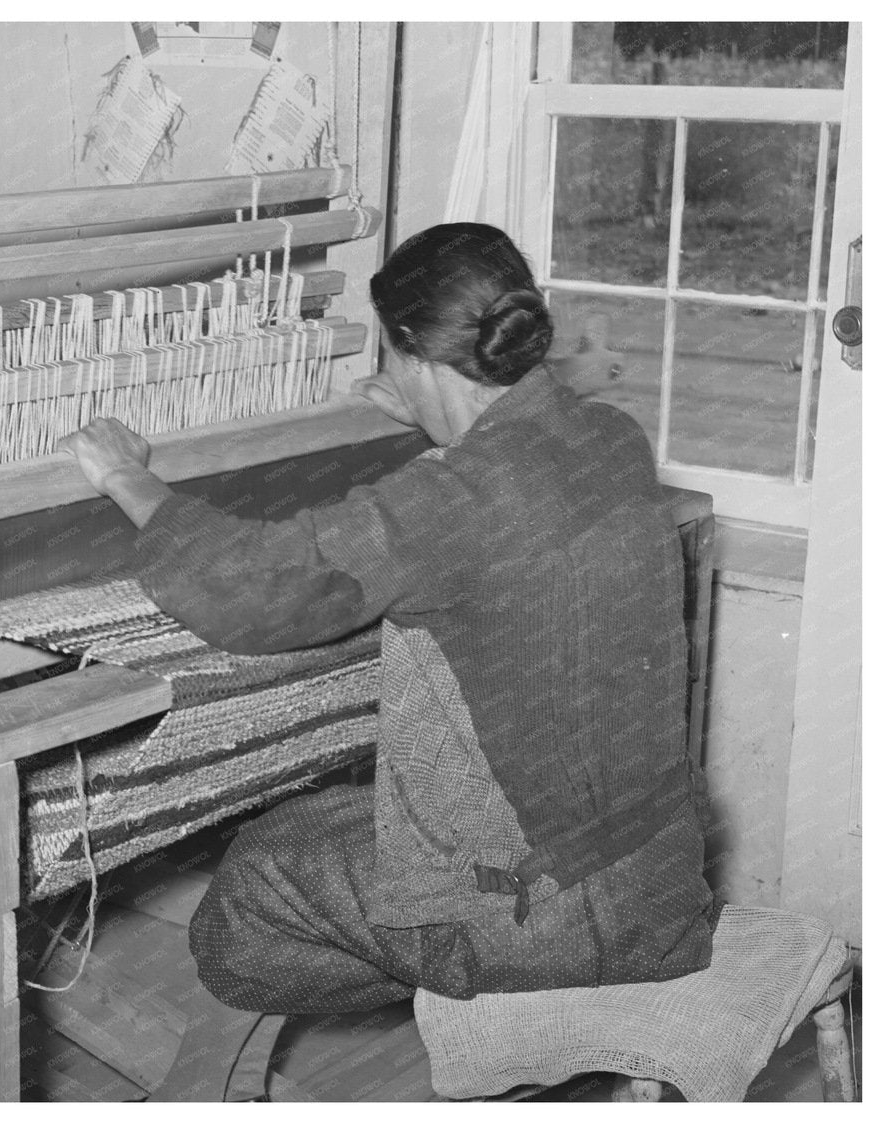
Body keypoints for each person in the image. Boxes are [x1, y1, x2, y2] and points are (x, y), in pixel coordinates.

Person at [57, 222, 719, 1101]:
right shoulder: (609, 437)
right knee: (326, 829)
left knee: (251, 894)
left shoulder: (451, 498)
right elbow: (505, 494)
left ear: (411, 352)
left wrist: (126, 477)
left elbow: (257, 585)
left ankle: (444, 1015)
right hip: (661, 882)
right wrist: (434, 412)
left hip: (548, 922)